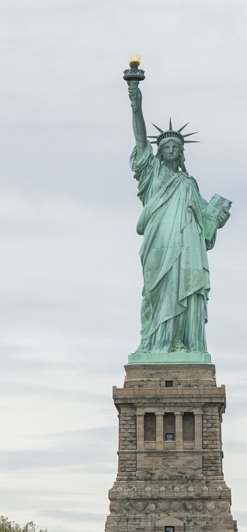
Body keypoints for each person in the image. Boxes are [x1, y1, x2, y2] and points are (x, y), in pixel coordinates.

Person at [127, 83, 230, 356]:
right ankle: (154, 342)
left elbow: (206, 220)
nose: (171, 148)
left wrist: (218, 216)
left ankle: (180, 341)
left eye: (176, 146)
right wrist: (136, 104)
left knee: (183, 287)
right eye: (166, 145)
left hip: (186, 247)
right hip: (159, 243)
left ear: (181, 152)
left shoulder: (189, 184)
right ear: (158, 152)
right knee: (156, 291)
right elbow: (140, 140)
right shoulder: (152, 175)